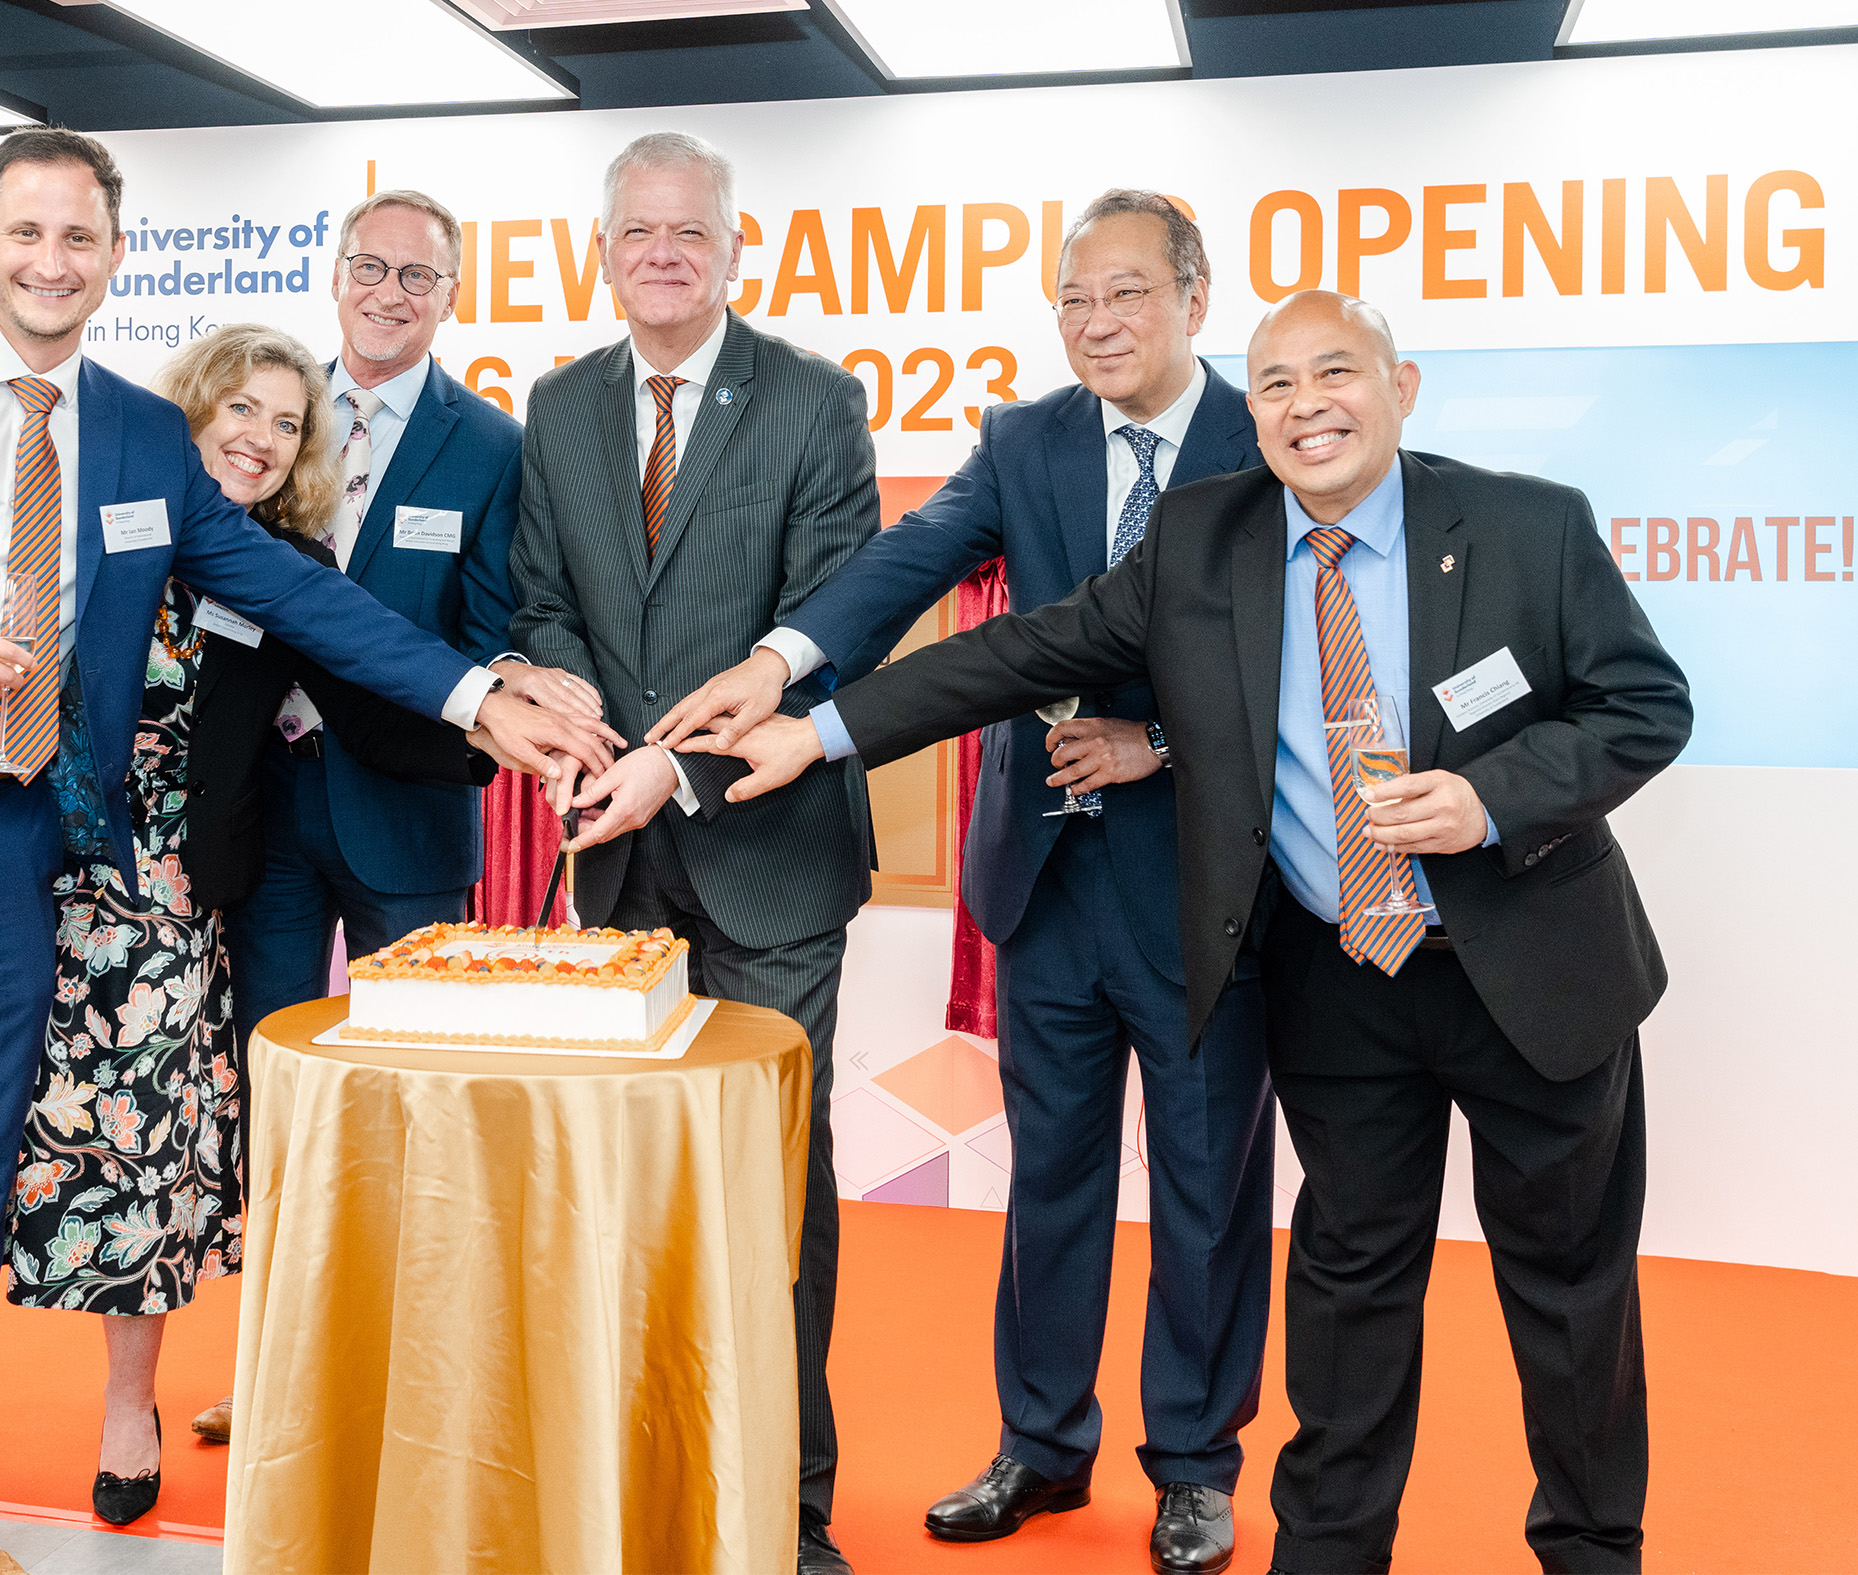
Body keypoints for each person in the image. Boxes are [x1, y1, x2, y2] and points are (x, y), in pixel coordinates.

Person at [0, 128, 612, 1575]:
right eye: (28, 235)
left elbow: (291, 592)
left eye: (81, 240)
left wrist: (476, 691)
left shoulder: (138, 432)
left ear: (117, 253)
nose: (52, 263)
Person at [690, 291, 1690, 1575]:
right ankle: (1326, 1555)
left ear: (1403, 386)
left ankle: (1592, 1549)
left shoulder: (1524, 525)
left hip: (1536, 977)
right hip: (1343, 979)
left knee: (1567, 1298)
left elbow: (1640, 709)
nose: (1305, 405)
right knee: (1346, 1296)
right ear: (1250, 410)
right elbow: (1016, 649)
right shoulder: (1204, 535)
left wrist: (1494, 796)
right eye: (1274, 384)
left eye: (1337, 373)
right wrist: (817, 727)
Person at [655, 188, 1271, 1574]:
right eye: (1071, 298)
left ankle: (1191, 1461)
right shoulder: (1025, 440)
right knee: (1046, 1174)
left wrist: (1161, 741)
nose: (1094, 322)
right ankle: (1040, 1443)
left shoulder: (1263, 435)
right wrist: (777, 668)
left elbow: (1306, 659)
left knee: (1202, 1185)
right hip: (1045, 870)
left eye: (1124, 293)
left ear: (1192, 296)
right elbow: (901, 569)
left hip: (1201, 882)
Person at [0, 322, 499, 1526]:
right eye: (242, 411)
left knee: (142, 1164)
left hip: (164, 906)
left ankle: (129, 1408)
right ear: (191, 411)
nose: (261, 439)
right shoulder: (84, 513)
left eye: (288, 423)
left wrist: (488, 729)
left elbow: (367, 679)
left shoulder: (278, 556)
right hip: (9, 872)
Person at [510, 130, 878, 1575]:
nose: (663, 255)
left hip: (765, 850)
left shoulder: (811, 399)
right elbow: (542, 597)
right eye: (637, 234)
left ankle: (786, 1510)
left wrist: (682, 763)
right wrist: (567, 699)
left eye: (691, 234)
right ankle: (634, 1483)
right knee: (623, 1186)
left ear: (734, 251)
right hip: (616, 859)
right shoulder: (555, 406)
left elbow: (835, 608)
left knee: (772, 1180)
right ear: (601, 252)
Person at [219, 187, 598, 1076]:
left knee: (419, 1068)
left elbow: (491, 623)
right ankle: (275, 1221)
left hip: (409, 811)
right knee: (271, 1063)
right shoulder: (266, 420)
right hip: (260, 799)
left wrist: (507, 680)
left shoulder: (496, 446)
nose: (389, 292)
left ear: (452, 294)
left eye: (417, 275)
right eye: (371, 268)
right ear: (338, 277)